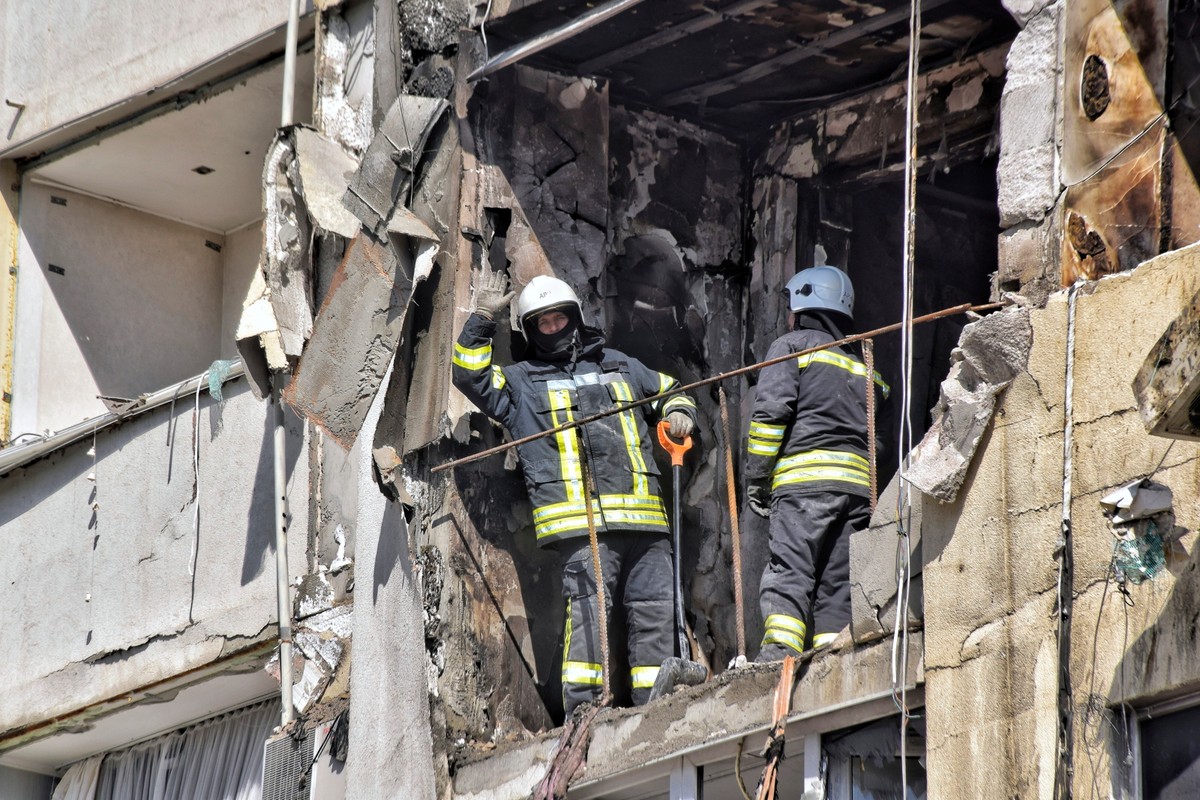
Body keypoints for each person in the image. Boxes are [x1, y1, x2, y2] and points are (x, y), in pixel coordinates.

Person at [452, 270, 698, 714]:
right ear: (530, 330)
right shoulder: (520, 383)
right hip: (580, 528)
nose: (552, 328)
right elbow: (470, 378)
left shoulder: (621, 365)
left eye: (559, 319)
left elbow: (673, 391)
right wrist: (483, 318)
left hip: (647, 523)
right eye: (541, 323)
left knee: (657, 612)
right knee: (589, 618)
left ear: (575, 318)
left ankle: (657, 709)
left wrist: (679, 414)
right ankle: (585, 713)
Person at [744, 265, 889, 661]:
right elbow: (876, 438)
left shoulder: (793, 347)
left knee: (790, 569)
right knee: (837, 580)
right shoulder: (866, 367)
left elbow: (769, 418)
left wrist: (757, 479)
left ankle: (778, 658)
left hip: (804, 490)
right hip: (857, 495)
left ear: (803, 305)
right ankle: (833, 659)